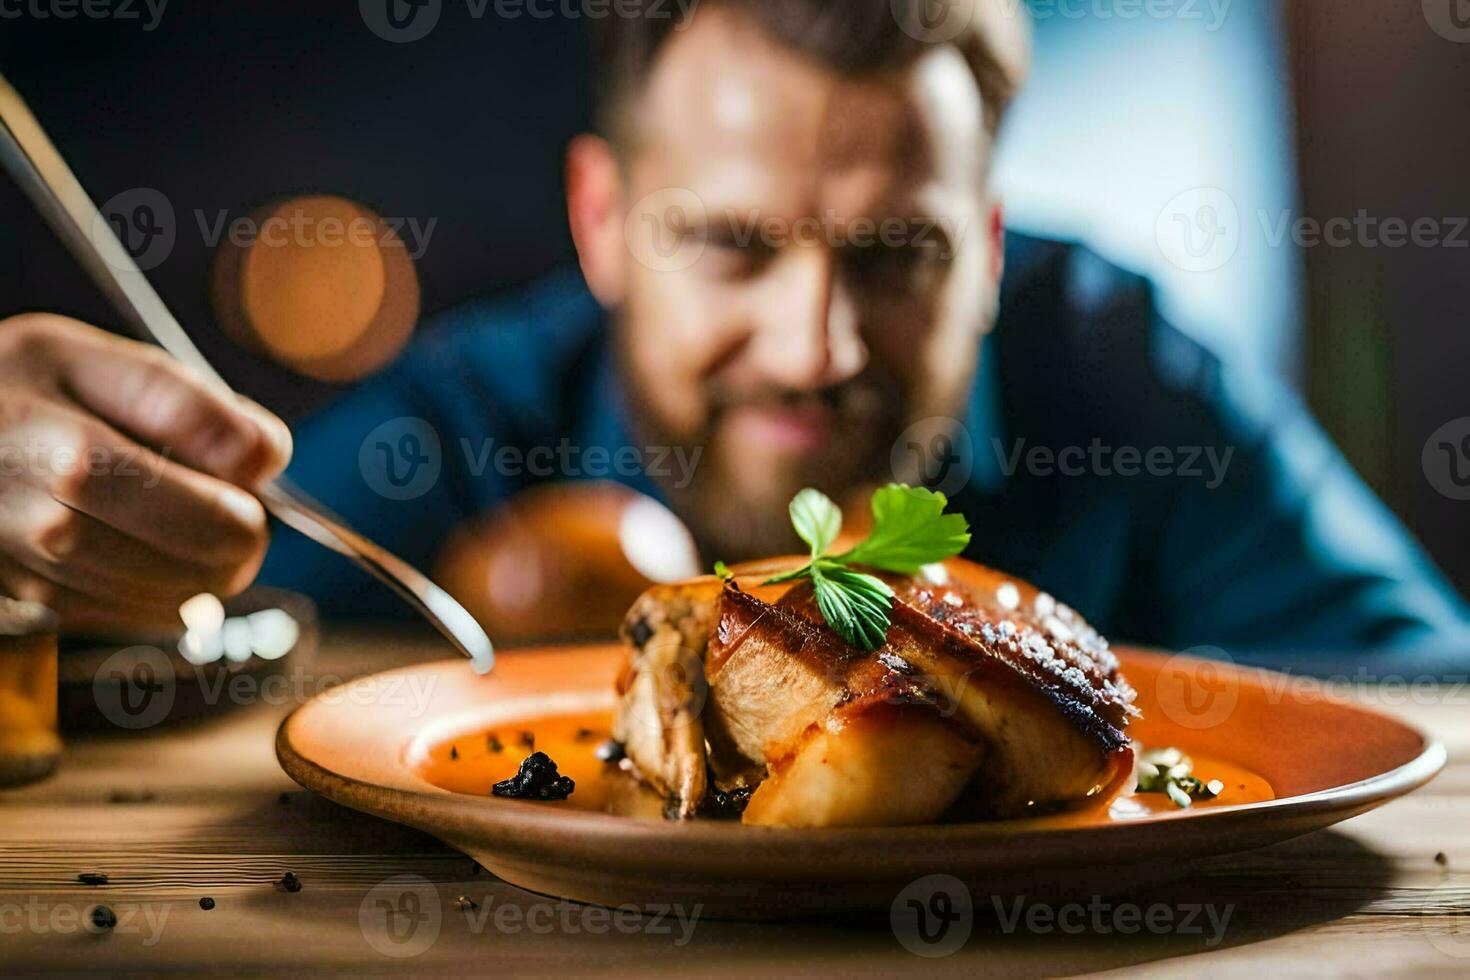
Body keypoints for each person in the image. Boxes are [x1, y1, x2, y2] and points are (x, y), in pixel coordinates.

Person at [0, 0, 1465, 671]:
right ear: (599, 222)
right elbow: (183, 648)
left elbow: (1431, 708)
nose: (816, 345)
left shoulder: (1120, 374)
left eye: (896, 254)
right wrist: (38, 554)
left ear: (994, 244)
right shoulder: (469, 420)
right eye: (730, 246)